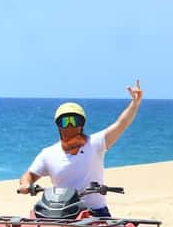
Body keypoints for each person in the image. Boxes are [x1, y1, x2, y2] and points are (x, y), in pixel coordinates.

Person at [17, 80, 144, 217]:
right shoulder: (48, 153)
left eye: (74, 121)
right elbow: (29, 175)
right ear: (58, 125)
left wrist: (134, 104)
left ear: (82, 124)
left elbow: (121, 124)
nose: (70, 126)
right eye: (65, 121)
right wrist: (26, 184)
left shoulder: (95, 144)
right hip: (60, 213)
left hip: (94, 212)